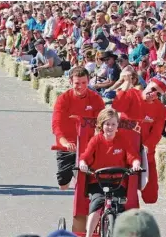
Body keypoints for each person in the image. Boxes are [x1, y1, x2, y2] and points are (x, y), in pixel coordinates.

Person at [52, 66, 105, 232]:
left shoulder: (96, 99)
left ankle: (88, 218)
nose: (80, 86)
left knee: (87, 183)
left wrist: (97, 136)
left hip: (89, 147)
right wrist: (64, 142)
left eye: (83, 82)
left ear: (88, 82)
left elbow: (101, 122)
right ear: (71, 82)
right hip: (69, 146)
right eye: (77, 83)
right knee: (63, 184)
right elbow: (57, 125)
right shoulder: (63, 99)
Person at [78, 108, 141, 237]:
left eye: (113, 124)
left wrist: (135, 163)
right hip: (99, 181)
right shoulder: (96, 140)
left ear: (117, 125)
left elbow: (132, 156)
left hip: (118, 181)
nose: (110, 127)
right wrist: (83, 163)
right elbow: (85, 156)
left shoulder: (123, 140)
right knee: (96, 205)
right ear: (101, 125)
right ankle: (88, 235)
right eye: (107, 124)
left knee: (120, 208)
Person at [112, 74, 166, 204]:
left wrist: (146, 147)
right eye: (153, 89)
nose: (153, 94)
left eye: (158, 94)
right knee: (124, 189)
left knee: (151, 196)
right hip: (124, 149)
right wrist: (125, 85)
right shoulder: (132, 94)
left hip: (144, 152)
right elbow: (117, 106)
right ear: (148, 83)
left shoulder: (160, 109)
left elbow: (156, 133)